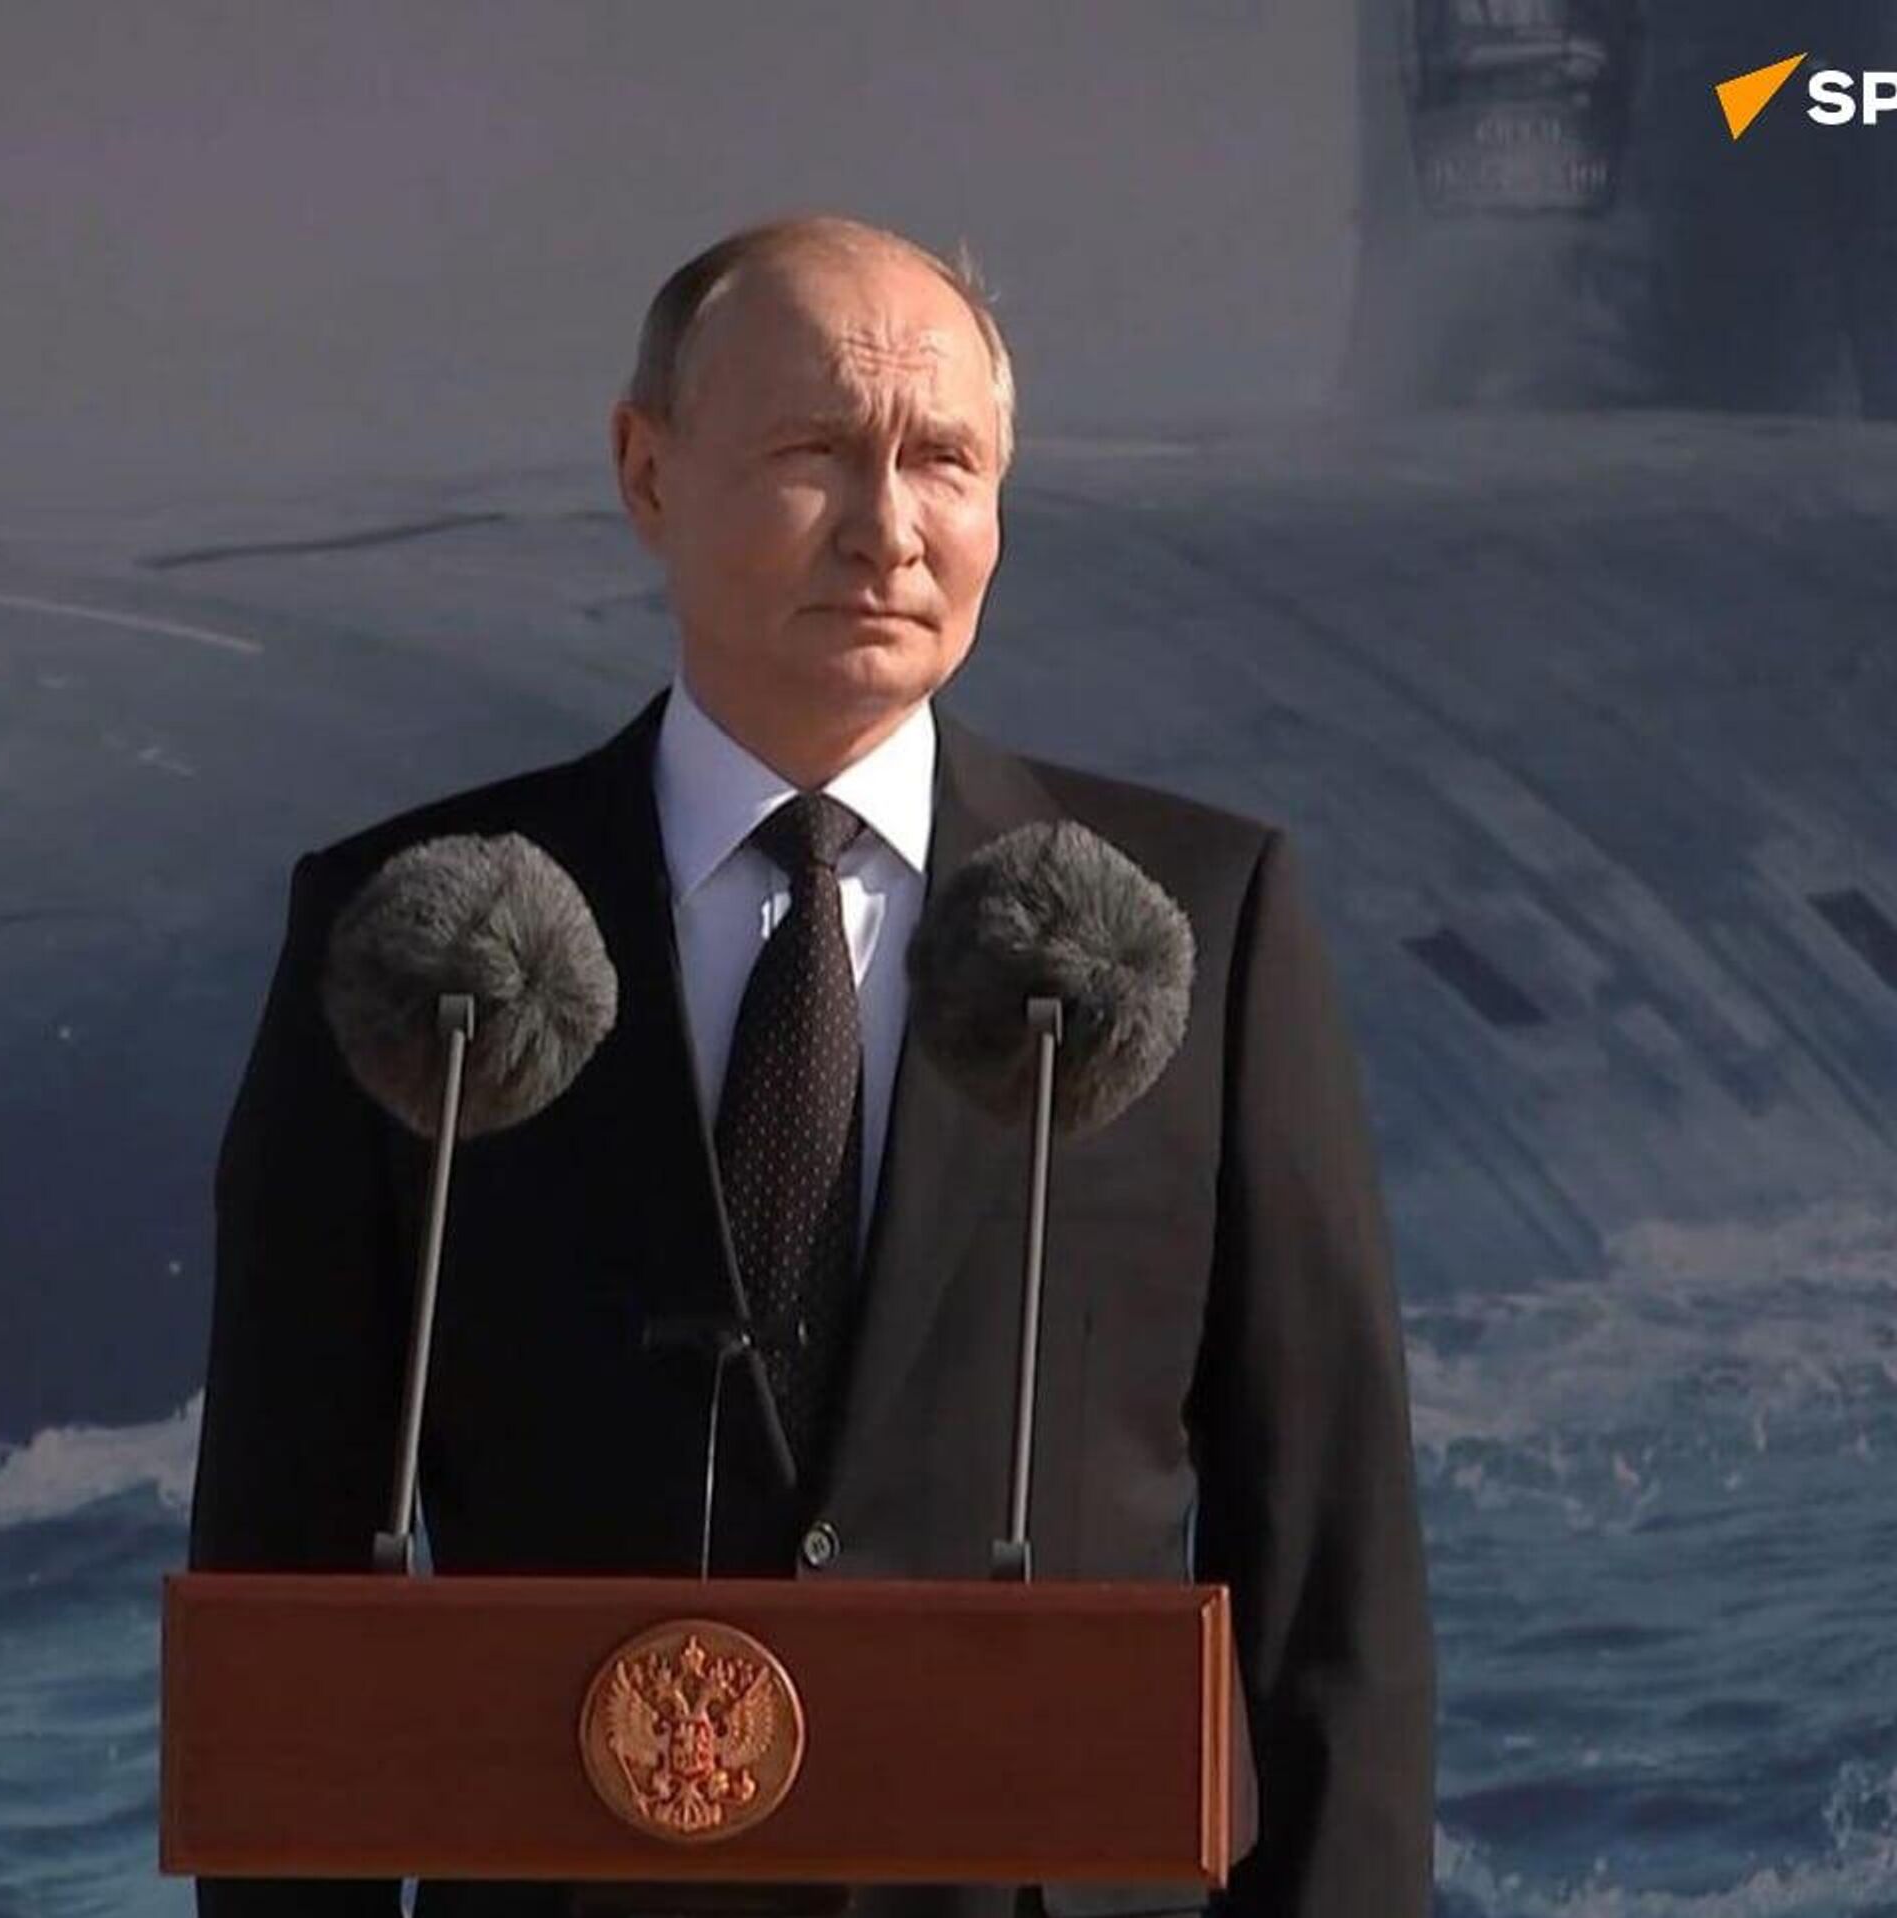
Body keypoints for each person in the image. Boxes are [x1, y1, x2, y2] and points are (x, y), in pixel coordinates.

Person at [188, 213, 1434, 1918]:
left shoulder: (1207, 920)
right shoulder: (415, 929)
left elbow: (1330, 1579)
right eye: (815, 454)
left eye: (944, 461)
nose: (888, 527)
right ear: (647, 471)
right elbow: (283, 1545)